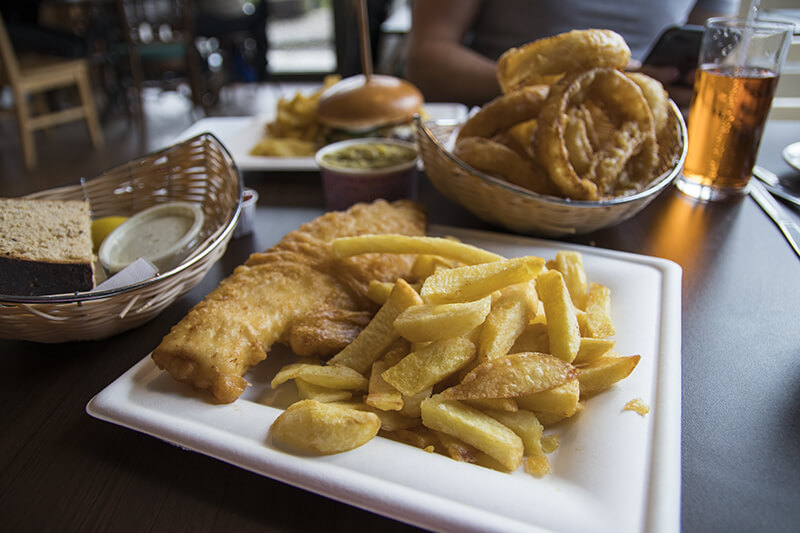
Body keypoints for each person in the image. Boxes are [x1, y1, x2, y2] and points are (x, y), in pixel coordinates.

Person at [404, 0, 740, 108]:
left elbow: (714, 58)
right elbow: (426, 58)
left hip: (651, 161)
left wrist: (688, 89)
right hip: (501, 143)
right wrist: (577, 89)